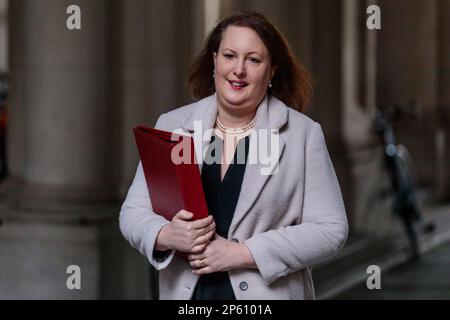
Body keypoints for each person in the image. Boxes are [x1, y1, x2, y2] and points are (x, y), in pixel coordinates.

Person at [119, 11, 348, 300]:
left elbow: (331, 230)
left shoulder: (303, 134)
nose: (238, 69)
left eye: (254, 60)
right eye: (229, 55)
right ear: (214, 61)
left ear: (272, 71)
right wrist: (166, 235)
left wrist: (242, 254)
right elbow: (132, 213)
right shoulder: (172, 125)